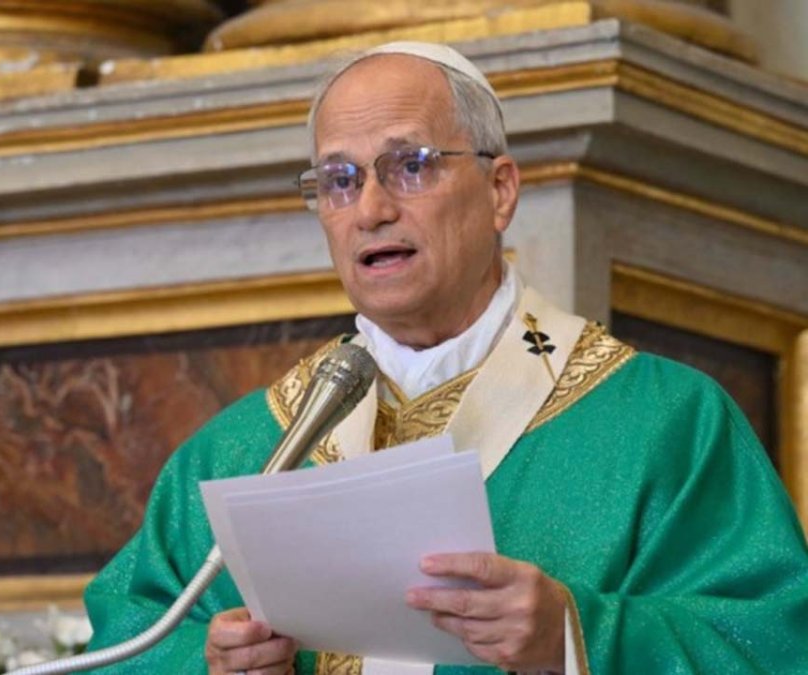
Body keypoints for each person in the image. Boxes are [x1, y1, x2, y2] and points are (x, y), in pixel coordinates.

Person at [81, 42, 808, 674]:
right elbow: (126, 641)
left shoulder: (665, 424)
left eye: (411, 166)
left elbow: (777, 642)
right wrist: (211, 663)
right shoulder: (240, 450)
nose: (369, 209)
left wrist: (574, 635)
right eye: (338, 180)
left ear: (499, 191)